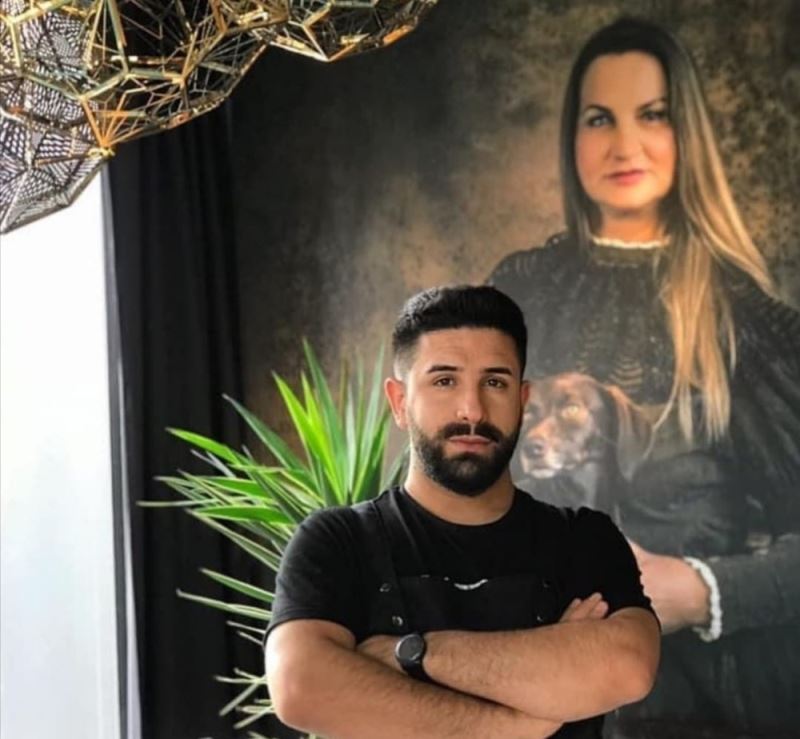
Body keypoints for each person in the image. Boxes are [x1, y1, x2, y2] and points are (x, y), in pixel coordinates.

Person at [489, 17, 800, 738]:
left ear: (687, 133)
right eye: (600, 118)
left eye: (652, 115)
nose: (624, 144)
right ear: (572, 138)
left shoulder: (741, 317)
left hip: (704, 701)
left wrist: (700, 590)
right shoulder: (520, 291)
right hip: (537, 694)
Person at [266, 285, 660, 738]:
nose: (472, 410)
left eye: (495, 382)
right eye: (444, 381)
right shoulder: (339, 541)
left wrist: (412, 654)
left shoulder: (583, 540)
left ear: (522, 401)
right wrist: (519, 724)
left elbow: (629, 667)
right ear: (399, 402)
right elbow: (300, 688)